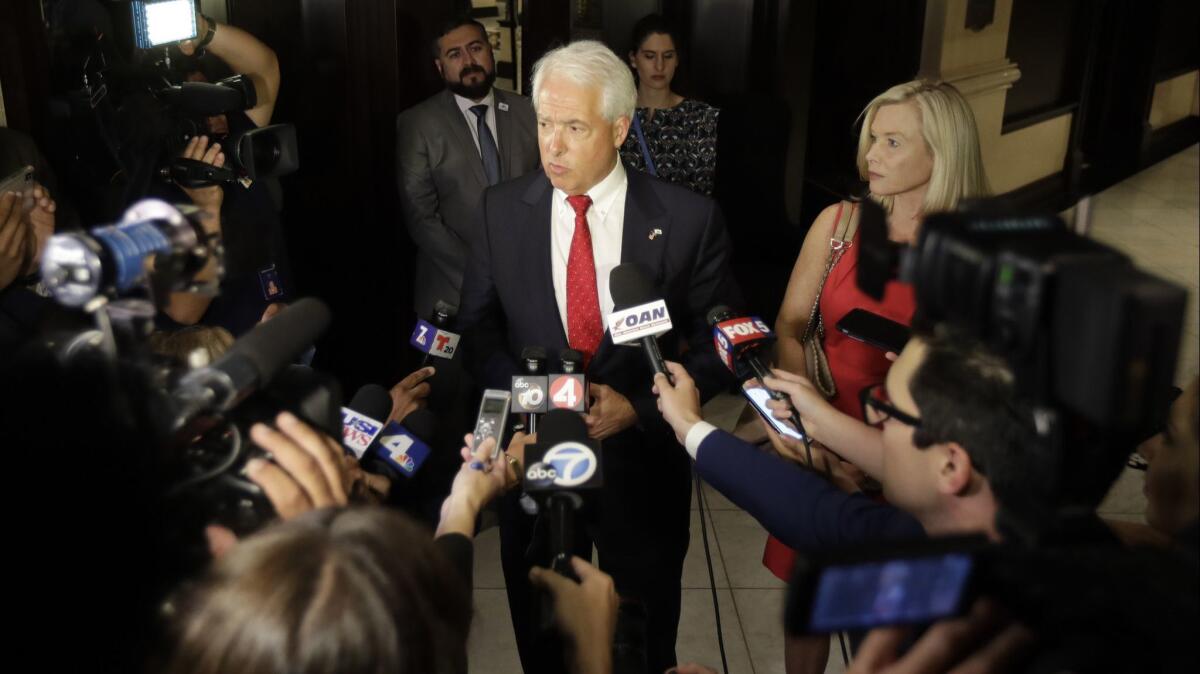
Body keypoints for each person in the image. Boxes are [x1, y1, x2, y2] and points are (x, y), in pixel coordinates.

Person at [457, 39, 742, 674]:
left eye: (574, 126)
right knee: (544, 633)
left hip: (641, 471)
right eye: (544, 123)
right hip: (535, 462)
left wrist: (638, 407)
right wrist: (540, 401)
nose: (551, 145)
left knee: (640, 635)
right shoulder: (500, 211)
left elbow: (724, 343)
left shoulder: (689, 219)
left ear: (618, 127)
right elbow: (478, 332)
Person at [765, 81, 992, 601]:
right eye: (872, 138)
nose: (870, 156)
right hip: (822, 438)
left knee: (887, 611)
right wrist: (816, 430)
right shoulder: (839, 223)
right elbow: (790, 326)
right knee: (810, 592)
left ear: (942, 152)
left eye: (893, 142)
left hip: (913, 455)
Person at [396, 15, 540, 319]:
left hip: (526, 284)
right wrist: (482, 279)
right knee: (449, 368)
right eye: (454, 54)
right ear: (440, 67)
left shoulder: (528, 111)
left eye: (475, 48)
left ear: (490, 51)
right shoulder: (418, 123)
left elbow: (547, 188)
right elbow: (422, 218)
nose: (468, 60)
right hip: (451, 292)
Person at [160, 11, 291, 336]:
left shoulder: (237, 142)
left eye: (215, 97)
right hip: (228, 362)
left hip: (284, 342)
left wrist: (204, 32)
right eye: (199, 103)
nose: (214, 113)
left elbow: (264, 68)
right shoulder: (166, 183)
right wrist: (204, 208)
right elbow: (183, 311)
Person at [619, 14, 719, 196]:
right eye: (649, 56)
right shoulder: (615, 113)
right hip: (622, 220)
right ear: (633, 59)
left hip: (679, 220)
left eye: (668, 56)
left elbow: (701, 192)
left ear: (677, 60)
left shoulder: (700, 117)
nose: (659, 66)